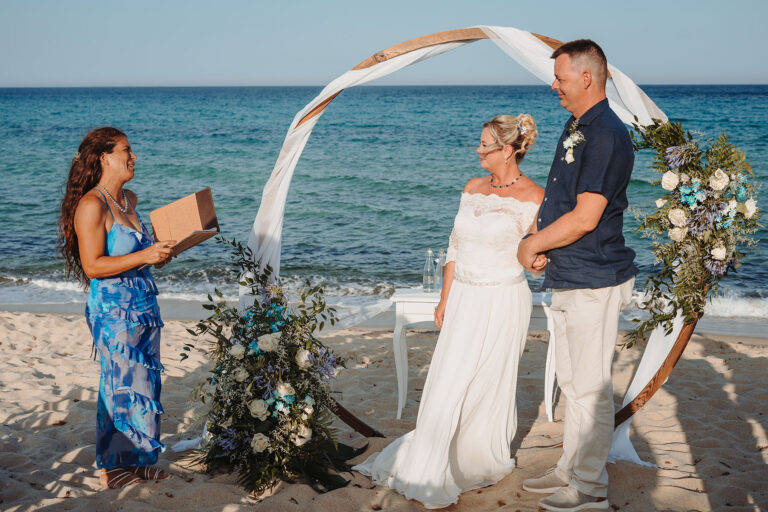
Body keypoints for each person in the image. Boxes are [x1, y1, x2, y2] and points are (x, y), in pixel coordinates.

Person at [354, 114, 544, 509]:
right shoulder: (472, 188)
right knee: (449, 378)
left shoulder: (535, 198)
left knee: (489, 381)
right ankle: (433, 451)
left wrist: (541, 263)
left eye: (485, 145)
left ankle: (475, 455)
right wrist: (445, 297)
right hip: (465, 298)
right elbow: (454, 247)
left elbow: (535, 254)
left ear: (506, 151)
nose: (478, 150)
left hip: (503, 299)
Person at [517, 39, 636, 512]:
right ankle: (570, 468)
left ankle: (590, 487)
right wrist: (536, 235)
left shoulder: (606, 133)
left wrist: (532, 244)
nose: (554, 86)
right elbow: (557, 197)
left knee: (589, 387)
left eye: (561, 78)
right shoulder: (576, 125)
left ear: (586, 77)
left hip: (594, 277)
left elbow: (587, 217)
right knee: (571, 381)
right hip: (568, 274)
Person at [58, 127, 176, 489]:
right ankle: (113, 466)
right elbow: (93, 265)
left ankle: (140, 460)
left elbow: (136, 257)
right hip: (113, 308)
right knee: (120, 383)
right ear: (103, 158)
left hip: (143, 303)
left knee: (146, 382)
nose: (134, 156)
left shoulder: (130, 200)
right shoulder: (91, 205)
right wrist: (144, 254)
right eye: (127, 150)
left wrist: (161, 254)